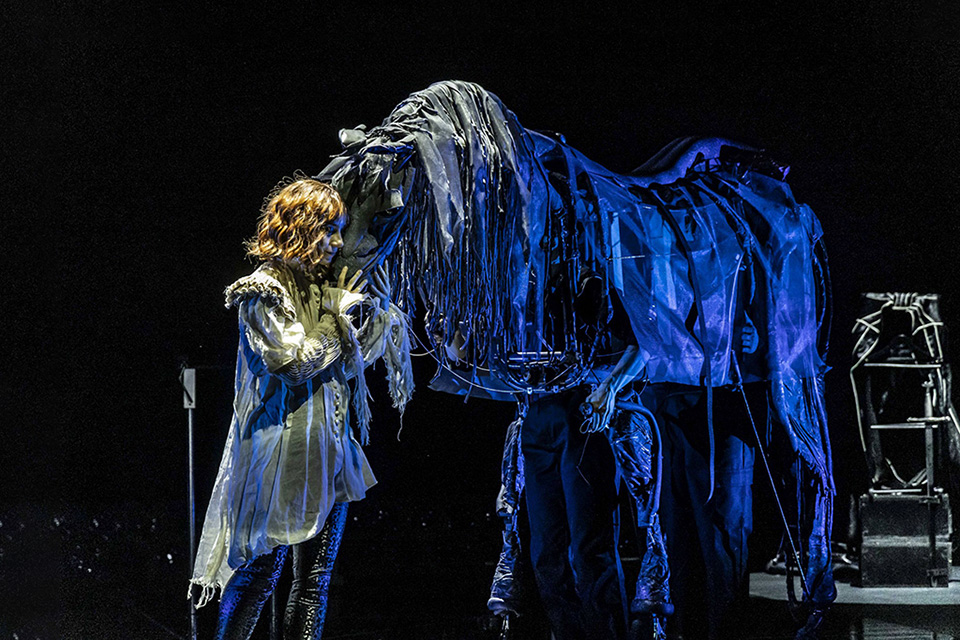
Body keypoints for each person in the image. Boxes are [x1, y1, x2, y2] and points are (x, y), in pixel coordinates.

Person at [189, 178, 413, 640]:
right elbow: (293, 363)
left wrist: (368, 316)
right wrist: (335, 320)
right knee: (258, 576)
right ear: (299, 227)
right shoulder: (262, 290)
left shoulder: (321, 290)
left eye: (339, 231)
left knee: (312, 582)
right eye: (328, 230)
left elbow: (350, 366)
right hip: (279, 455)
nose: (336, 242)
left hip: (327, 448)